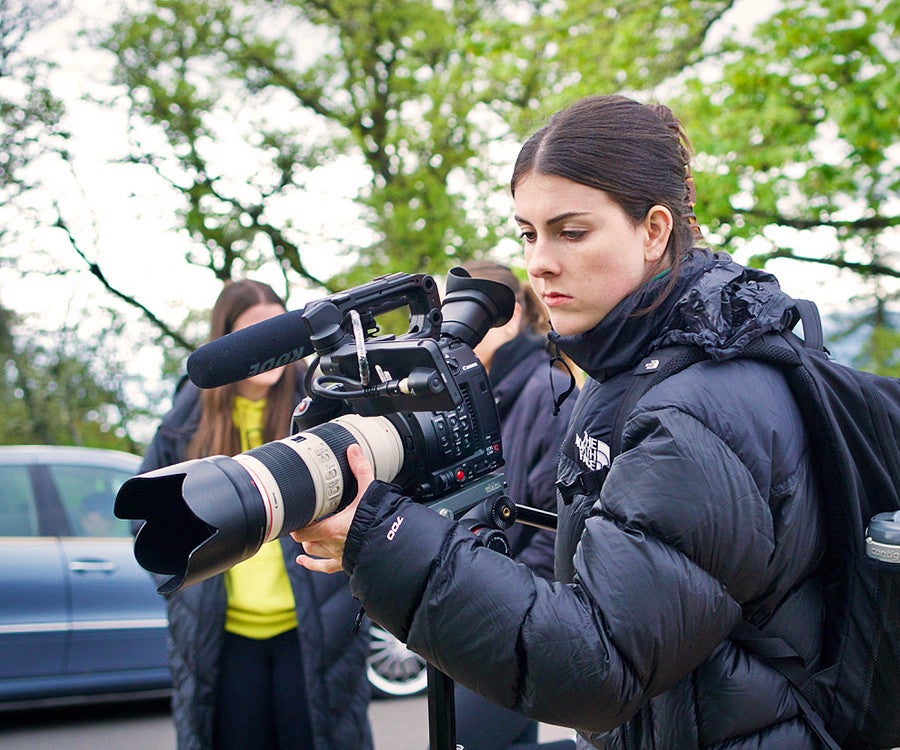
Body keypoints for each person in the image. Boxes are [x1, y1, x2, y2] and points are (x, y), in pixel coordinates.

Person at [291, 94, 828, 749]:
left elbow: (599, 669)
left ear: (655, 230)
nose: (539, 262)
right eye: (528, 233)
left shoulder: (699, 404)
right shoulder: (638, 367)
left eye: (571, 232)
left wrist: (384, 544)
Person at [139, 279, 373, 750]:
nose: (270, 344)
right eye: (254, 330)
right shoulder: (185, 421)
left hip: (313, 630)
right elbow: (146, 515)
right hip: (223, 638)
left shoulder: (322, 404)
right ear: (228, 338)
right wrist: (182, 592)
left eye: (278, 328)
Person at [450, 260, 577, 750]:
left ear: (508, 314)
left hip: (510, 617)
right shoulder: (482, 392)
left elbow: (555, 526)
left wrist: (518, 620)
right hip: (483, 608)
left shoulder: (546, 389)